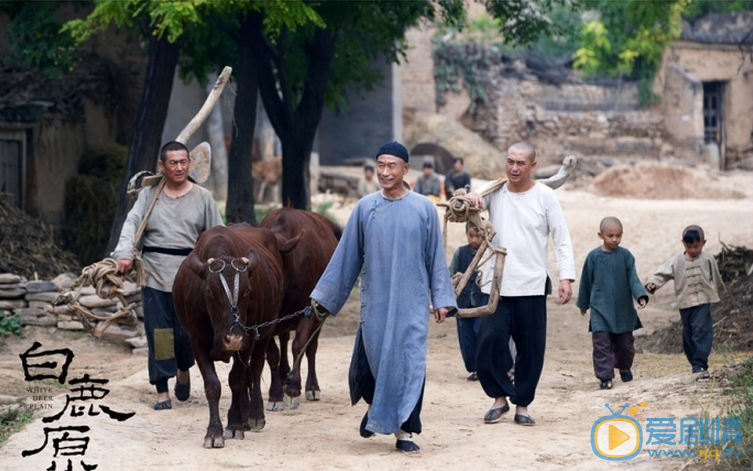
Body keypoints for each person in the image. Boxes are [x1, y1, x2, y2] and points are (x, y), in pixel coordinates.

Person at [310, 141, 457, 454]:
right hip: (375, 302)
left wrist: (441, 298)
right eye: (381, 165)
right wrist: (325, 297)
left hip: (412, 303)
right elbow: (347, 256)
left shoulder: (424, 208)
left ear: (406, 170)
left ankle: (404, 431)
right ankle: (376, 412)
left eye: (392, 166)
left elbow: (435, 258)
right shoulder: (366, 208)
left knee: (409, 364)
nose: (385, 172)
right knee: (374, 364)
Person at [466, 141, 575, 426]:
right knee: (489, 342)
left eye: (521, 163)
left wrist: (566, 277)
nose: (514, 168)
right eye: (510, 161)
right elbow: (472, 204)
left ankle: (522, 404)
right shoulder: (495, 191)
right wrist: (472, 198)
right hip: (496, 284)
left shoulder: (545, 196)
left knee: (531, 347)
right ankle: (499, 397)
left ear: (533, 166)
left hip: (531, 283)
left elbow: (561, 239)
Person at [112, 141, 224, 410]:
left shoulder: (202, 197)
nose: (179, 167)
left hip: (191, 276)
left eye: (183, 162)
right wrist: (125, 252)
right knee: (160, 334)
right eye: (172, 163)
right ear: (162, 166)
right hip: (154, 273)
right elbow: (132, 224)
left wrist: (219, 266)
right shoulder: (149, 195)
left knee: (187, 336)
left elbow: (218, 235)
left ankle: (184, 368)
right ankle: (162, 390)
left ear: (190, 163)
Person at [576, 217, 648, 390]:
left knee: (625, 345)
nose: (614, 239)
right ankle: (605, 377)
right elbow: (586, 280)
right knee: (601, 345)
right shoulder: (593, 257)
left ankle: (624, 366)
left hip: (623, 309)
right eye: (610, 236)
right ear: (600, 235)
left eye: (618, 235)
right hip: (600, 309)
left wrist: (640, 295)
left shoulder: (626, 256)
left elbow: (634, 279)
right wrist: (583, 303)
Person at [645, 225, 725, 374]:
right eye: (689, 247)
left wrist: (720, 291)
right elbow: (662, 273)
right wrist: (653, 283)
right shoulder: (677, 260)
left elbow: (716, 276)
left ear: (703, 242)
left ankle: (700, 362)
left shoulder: (708, 258)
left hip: (703, 300)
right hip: (685, 302)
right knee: (689, 333)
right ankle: (694, 361)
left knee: (701, 330)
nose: (693, 250)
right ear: (683, 243)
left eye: (696, 246)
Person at [448, 223, 489, 381]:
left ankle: (483, 368)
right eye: (471, 235)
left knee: (481, 332)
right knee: (466, 337)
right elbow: (450, 274)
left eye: (478, 236)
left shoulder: (488, 254)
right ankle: (474, 368)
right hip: (463, 302)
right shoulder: (461, 253)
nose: (475, 240)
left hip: (482, 301)